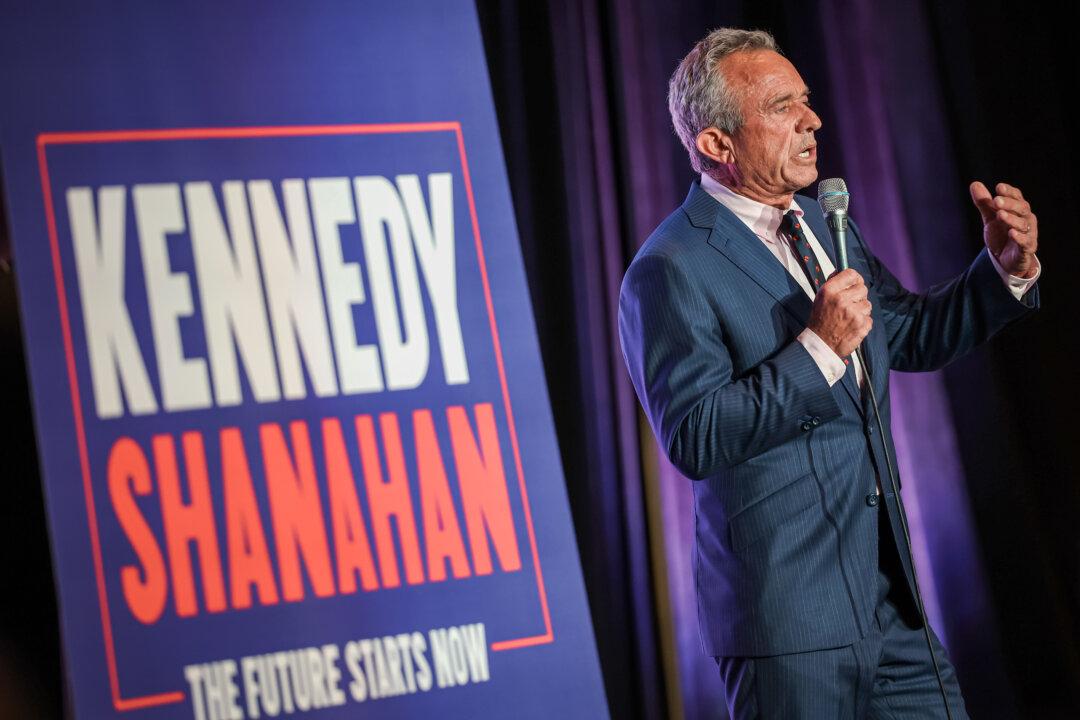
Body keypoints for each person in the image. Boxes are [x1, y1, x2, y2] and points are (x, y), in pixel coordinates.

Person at [618, 28, 1039, 719]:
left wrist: (1003, 271)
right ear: (717, 144)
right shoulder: (668, 270)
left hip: (890, 606)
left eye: (807, 101)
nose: (813, 121)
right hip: (789, 628)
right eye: (782, 107)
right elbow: (694, 435)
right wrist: (817, 349)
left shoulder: (824, 222)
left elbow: (907, 332)